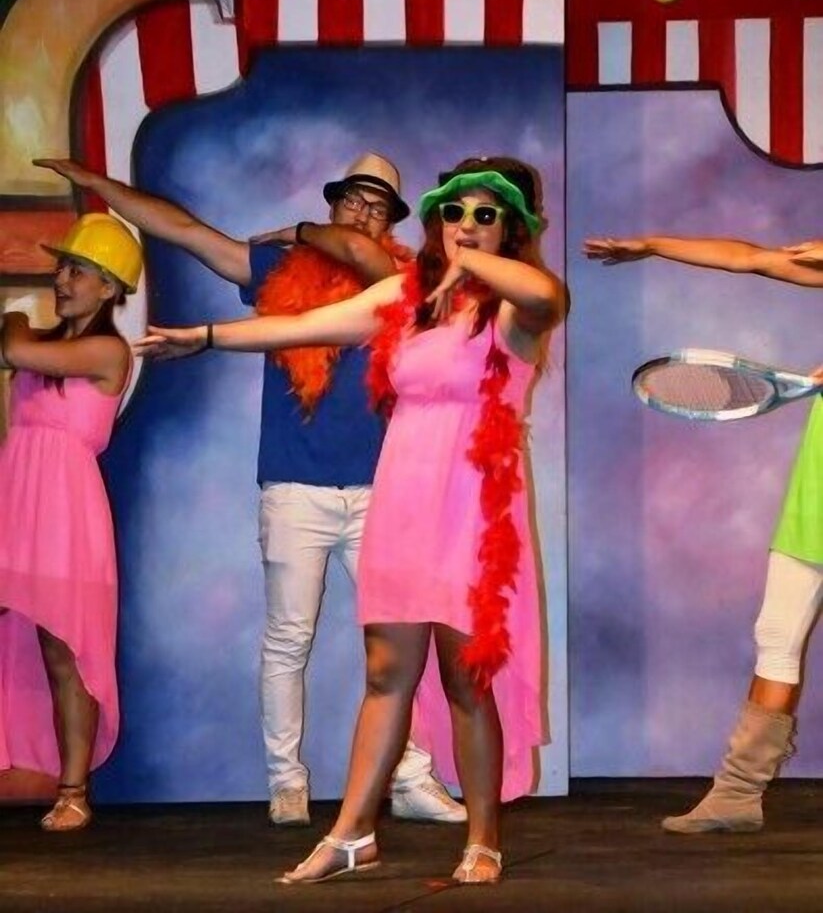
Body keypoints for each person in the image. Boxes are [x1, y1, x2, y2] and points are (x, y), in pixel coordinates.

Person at [135, 156, 567, 883]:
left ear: (511, 230)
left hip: (470, 505)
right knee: (386, 671)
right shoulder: (406, 295)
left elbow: (547, 293)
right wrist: (205, 335)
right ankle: (352, 835)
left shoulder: (509, 311)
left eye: (484, 214)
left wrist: (472, 266)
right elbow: (302, 325)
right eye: (454, 211)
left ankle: (483, 839)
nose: (464, 224)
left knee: (465, 679)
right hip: (401, 494)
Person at [34, 153, 465, 827]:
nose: (361, 215)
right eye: (352, 200)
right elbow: (186, 231)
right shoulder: (277, 272)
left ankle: (408, 775)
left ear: (390, 225)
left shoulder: (402, 282)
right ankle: (286, 781)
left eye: (377, 207)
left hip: (381, 490)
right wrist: (103, 187)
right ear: (333, 203)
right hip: (293, 486)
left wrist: (301, 231)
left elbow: (358, 253)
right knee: (288, 639)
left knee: (398, 640)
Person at [585, 232, 823, 833]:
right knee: (777, 634)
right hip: (816, 489)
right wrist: (653, 244)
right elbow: (749, 257)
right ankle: (737, 795)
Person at [0, 212, 141, 830]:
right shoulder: (52, 349)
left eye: (78, 270)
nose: (62, 279)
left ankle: (74, 790)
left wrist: (16, 319)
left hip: (65, 512)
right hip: (15, 497)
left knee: (64, 653)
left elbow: (13, 345)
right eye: (62, 267)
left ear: (109, 287)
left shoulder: (108, 350)